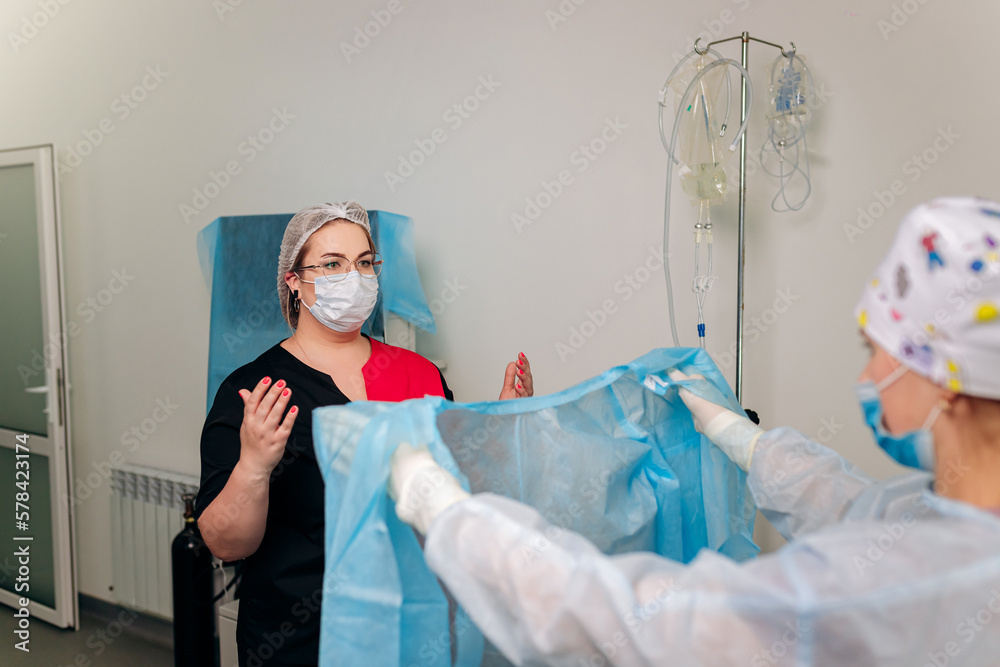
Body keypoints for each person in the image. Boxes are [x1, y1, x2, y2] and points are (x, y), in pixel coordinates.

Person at [389, 197, 1000, 666]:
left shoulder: (903, 584)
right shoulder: (944, 529)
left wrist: (455, 521)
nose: (868, 375)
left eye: (877, 351)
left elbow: (649, 621)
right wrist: (749, 444)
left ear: (946, 373)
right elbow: (865, 515)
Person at [194, 201, 534, 667]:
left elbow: (454, 492)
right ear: (294, 281)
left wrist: (497, 430)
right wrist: (253, 466)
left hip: (412, 622)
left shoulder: (419, 374)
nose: (352, 277)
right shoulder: (255, 390)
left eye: (364, 263)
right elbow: (225, 542)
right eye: (332, 265)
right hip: (300, 638)